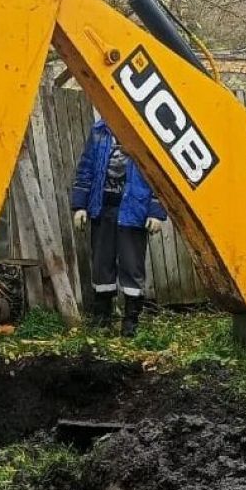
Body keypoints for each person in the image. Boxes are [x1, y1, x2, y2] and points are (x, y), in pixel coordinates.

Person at [71, 118, 167, 336]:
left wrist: (156, 212)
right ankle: (102, 319)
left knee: (132, 266)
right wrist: (80, 206)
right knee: (101, 263)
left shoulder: (148, 131)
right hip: (103, 208)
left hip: (134, 211)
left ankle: (130, 323)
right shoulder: (99, 130)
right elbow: (86, 168)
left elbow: (160, 174)